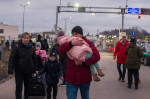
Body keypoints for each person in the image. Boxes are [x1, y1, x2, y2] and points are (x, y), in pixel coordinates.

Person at [58, 26, 100, 99]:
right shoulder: (69, 42)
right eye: (73, 33)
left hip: (84, 78)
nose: (74, 35)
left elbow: (97, 56)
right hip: (71, 78)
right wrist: (71, 43)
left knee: (85, 97)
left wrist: (84, 63)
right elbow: (60, 51)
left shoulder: (88, 43)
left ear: (81, 34)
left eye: (76, 34)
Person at [8, 32, 37, 99]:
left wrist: (34, 70)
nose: (26, 39)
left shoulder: (32, 47)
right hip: (19, 71)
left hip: (29, 71)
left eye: (27, 38)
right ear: (22, 38)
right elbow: (11, 59)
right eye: (24, 38)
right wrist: (10, 72)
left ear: (29, 38)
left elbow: (34, 60)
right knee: (19, 87)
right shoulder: (17, 47)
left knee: (28, 87)